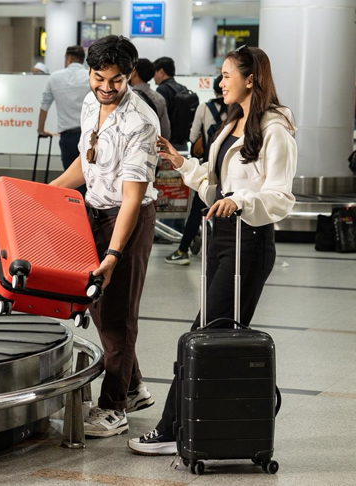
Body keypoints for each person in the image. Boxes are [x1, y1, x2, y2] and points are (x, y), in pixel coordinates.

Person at [128, 46, 297, 455]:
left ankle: (172, 429)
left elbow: (280, 196)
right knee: (211, 337)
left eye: (226, 75)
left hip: (249, 242)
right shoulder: (232, 121)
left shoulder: (275, 128)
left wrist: (240, 202)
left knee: (201, 335)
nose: (220, 82)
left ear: (251, 79)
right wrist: (181, 164)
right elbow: (215, 186)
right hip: (220, 238)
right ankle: (199, 427)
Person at [50, 35, 159, 438]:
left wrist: (114, 254)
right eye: (99, 77)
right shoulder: (89, 102)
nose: (107, 87)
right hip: (91, 212)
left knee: (117, 314)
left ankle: (114, 407)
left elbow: (132, 197)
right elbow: (87, 161)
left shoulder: (140, 122)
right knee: (96, 304)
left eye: (116, 80)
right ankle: (133, 387)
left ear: (130, 75)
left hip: (126, 220)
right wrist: (47, 191)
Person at [165, 75, 227, 265]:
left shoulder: (205, 108)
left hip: (210, 166)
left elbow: (193, 137)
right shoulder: (237, 110)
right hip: (230, 168)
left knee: (197, 211)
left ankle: (182, 250)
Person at [38, 46, 90, 174]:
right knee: (89, 175)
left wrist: (41, 130)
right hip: (89, 135)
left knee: (70, 177)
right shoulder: (90, 76)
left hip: (68, 137)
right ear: (82, 59)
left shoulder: (54, 78)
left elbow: (44, 105)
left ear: (69, 59)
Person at [153, 57, 191, 151]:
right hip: (183, 141)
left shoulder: (162, 89)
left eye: (155, 72)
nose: (153, 76)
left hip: (168, 142)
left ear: (161, 71)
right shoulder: (183, 88)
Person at [130, 58, 171, 139]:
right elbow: (165, 133)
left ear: (134, 72)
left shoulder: (129, 97)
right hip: (154, 144)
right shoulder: (159, 98)